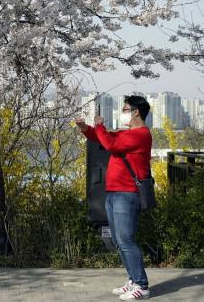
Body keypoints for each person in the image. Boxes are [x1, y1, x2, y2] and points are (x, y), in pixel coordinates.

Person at [75, 95, 152, 300]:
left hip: (127, 194)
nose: (123, 112)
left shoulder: (141, 135)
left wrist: (99, 125)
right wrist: (85, 128)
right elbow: (101, 137)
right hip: (114, 192)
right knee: (119, 240)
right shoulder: (127, 133)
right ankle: (133, 280)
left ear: (136, 112)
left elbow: (111, 145)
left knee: (126, 239)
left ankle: (142, 286)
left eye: (125, 109)